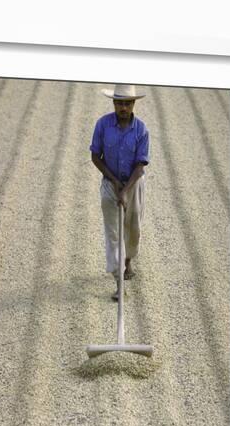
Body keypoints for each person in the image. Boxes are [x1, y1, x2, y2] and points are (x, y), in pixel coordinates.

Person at [90, 83, 150, 301]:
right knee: (114, 234)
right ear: (113, 103)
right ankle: (119, 282)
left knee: (133, 228)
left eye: (127, 103)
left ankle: (127, 262)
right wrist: (115, 183)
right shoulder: (103, 125)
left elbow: (141, 164)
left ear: (133, 104)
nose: (123, 107)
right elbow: (96, 156)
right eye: (119, 103)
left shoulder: (141, 130)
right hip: (110, 183)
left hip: (134, 184)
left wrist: (125, 190)